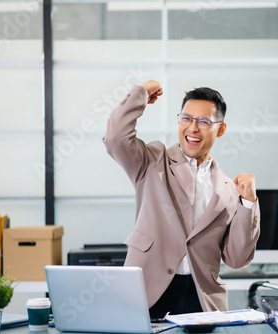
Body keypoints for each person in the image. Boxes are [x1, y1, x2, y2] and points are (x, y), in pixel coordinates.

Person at [103, 80, 260, 318]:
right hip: (149, 292)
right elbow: (115, 138)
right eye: (186, 118)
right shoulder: (153, 161)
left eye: (204, 121)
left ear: (220, 129)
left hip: (202, 299)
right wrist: (140, 95)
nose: (193, 128)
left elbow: (237, 259)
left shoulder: (228, 189)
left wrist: (248, 204)